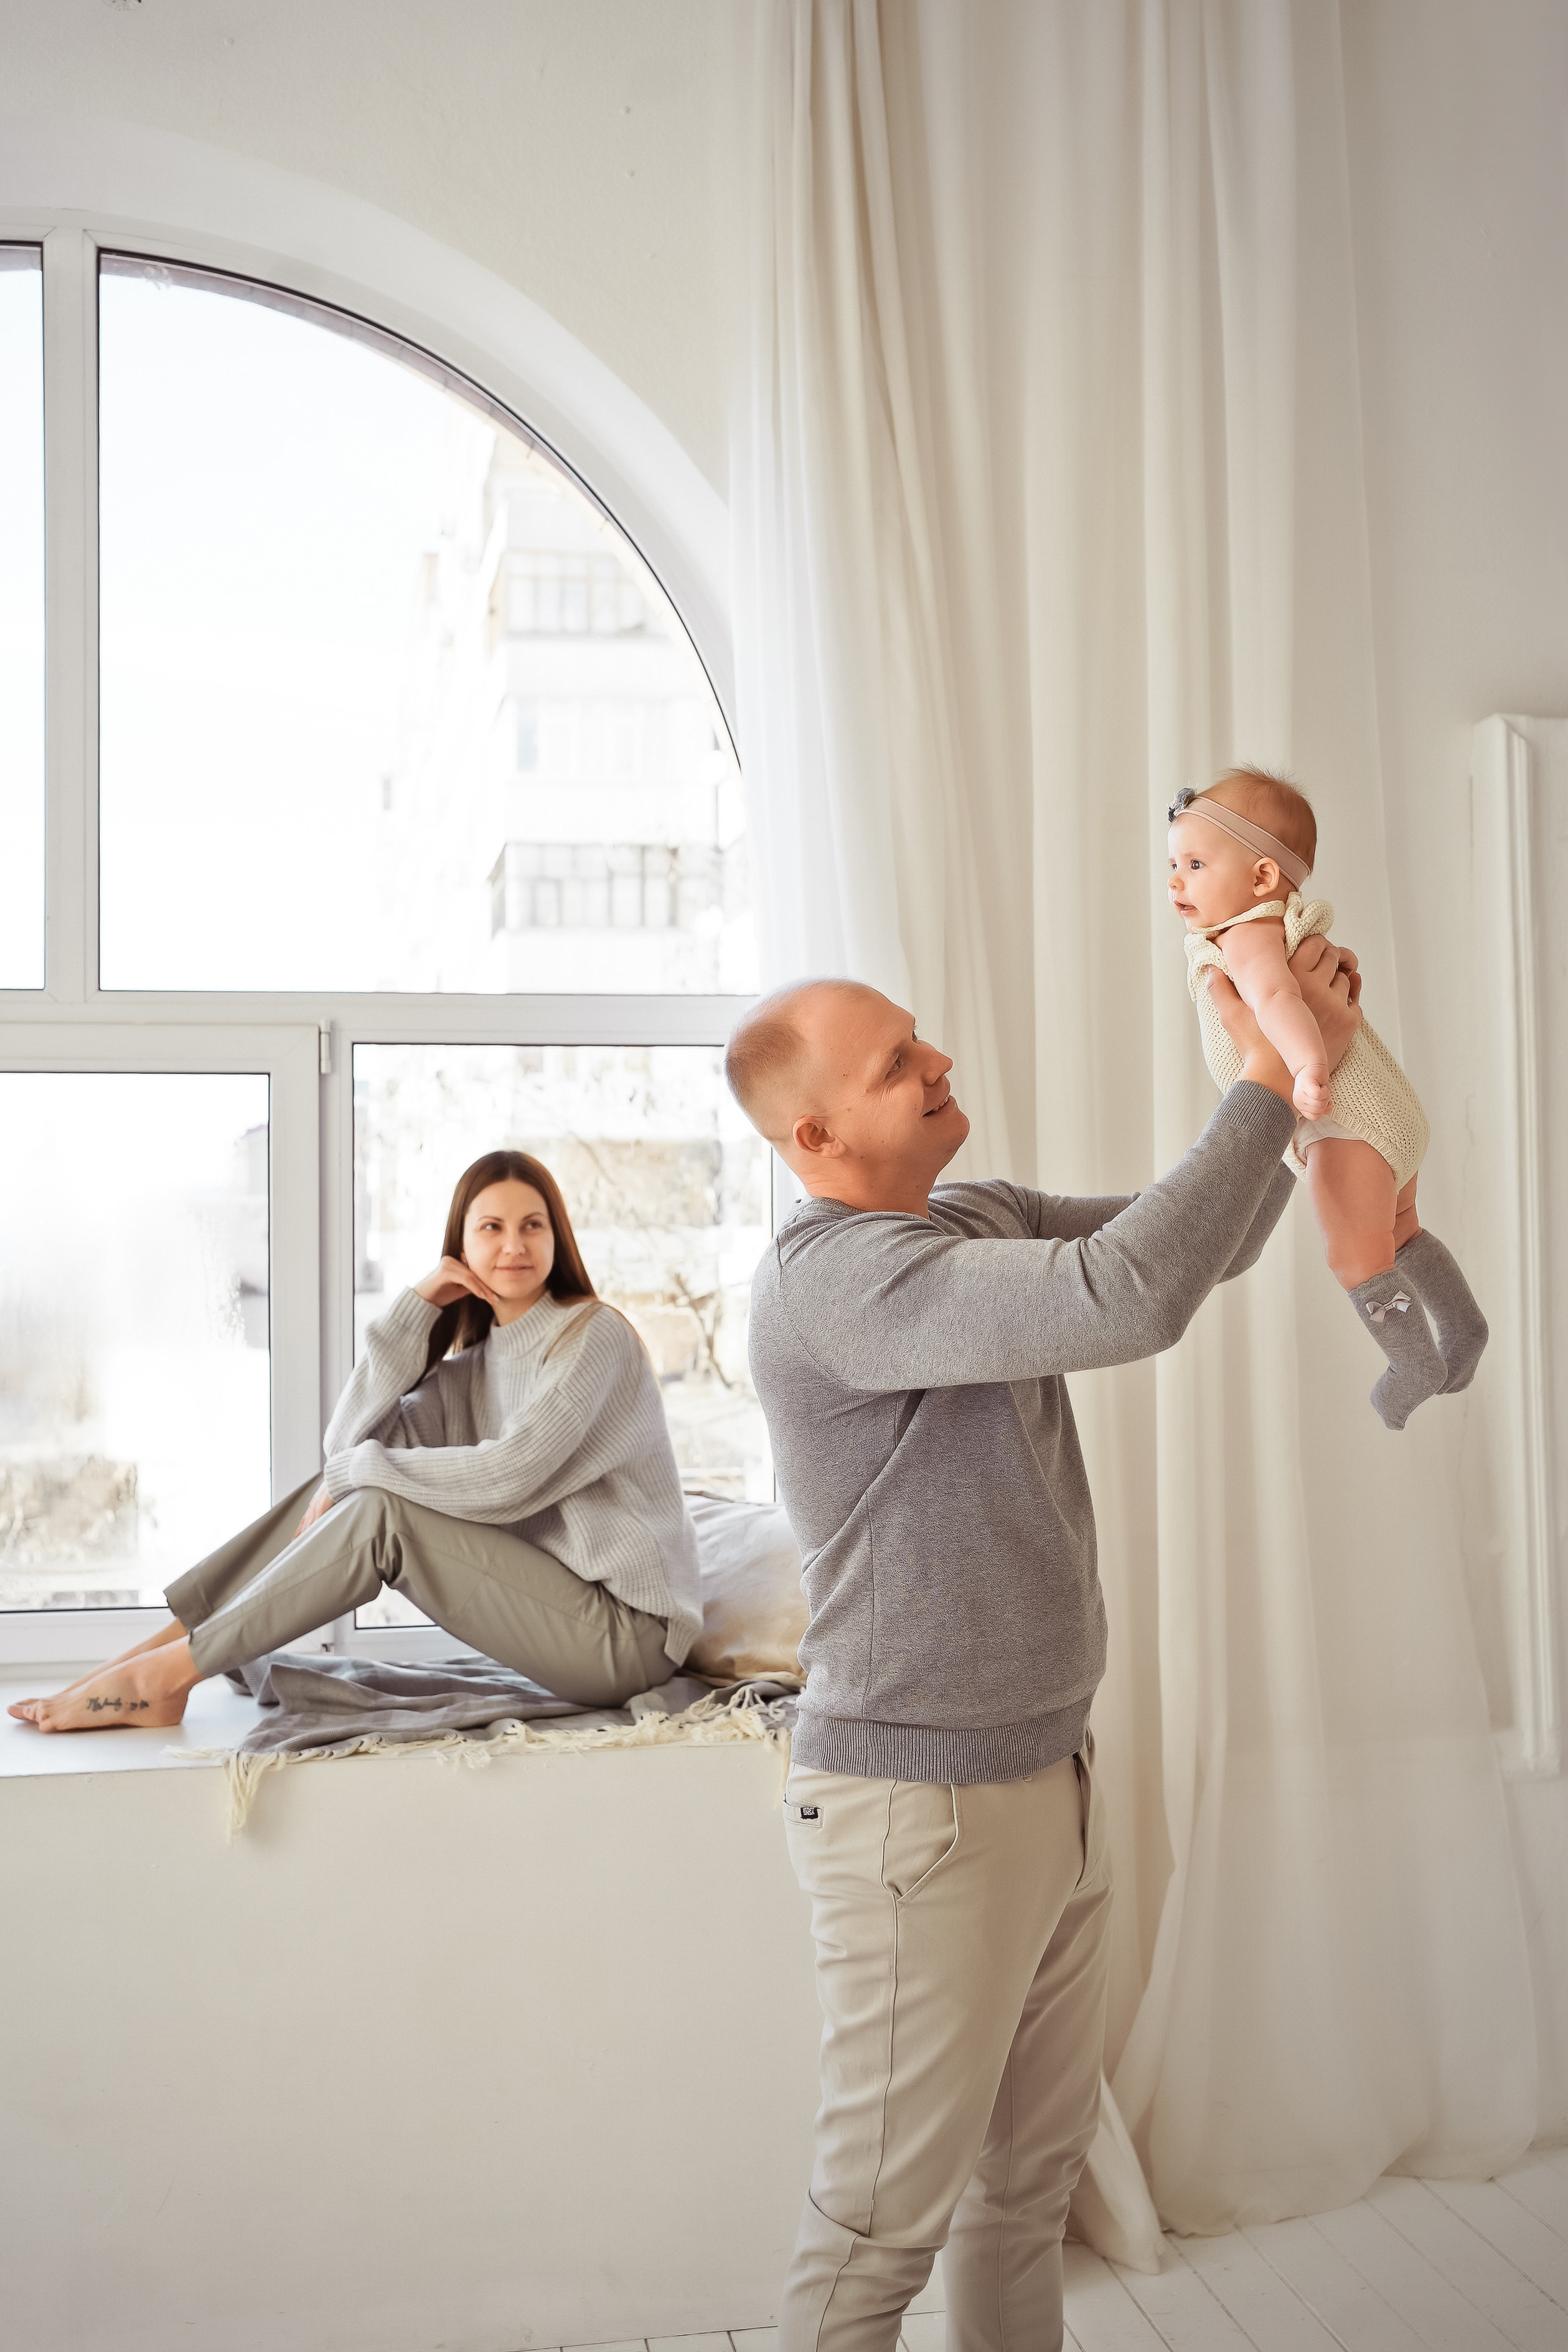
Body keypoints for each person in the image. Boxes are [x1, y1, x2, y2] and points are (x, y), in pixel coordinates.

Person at [723, 943, 1361, 2352]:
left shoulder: (967, 1217)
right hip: (919, 1817)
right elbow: (1121, 1296)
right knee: (870, 2231)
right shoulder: (832, 1285)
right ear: (812, 1136)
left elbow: (1190, 1241)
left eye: (917, 1039)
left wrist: (1293, 1065)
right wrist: (1261, 1064)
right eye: (896, 1062)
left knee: (1020, 2196)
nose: (937, 1061)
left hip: (1038, 1777)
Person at [11, 1149, 700, 1734]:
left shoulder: (593, 1336)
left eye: (532, 1225)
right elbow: (344, 1449)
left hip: (626, 1635)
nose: (513, 1245)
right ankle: (153, 1654)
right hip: (560, 1616)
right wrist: (413, 1311)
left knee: (378, 1505)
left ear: (558, 1238)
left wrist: (360, 1472)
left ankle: (169, 1672)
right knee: (347, 1484)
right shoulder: (470, 1373)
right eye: (490, 1227)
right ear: (461, 1244)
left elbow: (509, 1476)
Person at [1171, 766, 1487, 1427]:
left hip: (1340, 1127)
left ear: (1261, 878)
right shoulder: (1277, 922)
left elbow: (1276, 999)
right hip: (1385, 1119)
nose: (1176, 879)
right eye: (1173, 862)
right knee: (1401, 1231)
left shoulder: (1246, 933)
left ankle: (1413, 1363)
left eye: (1195, 863)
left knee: (1355, 1257)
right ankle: (1461, 1329)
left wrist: (1308, 1068)